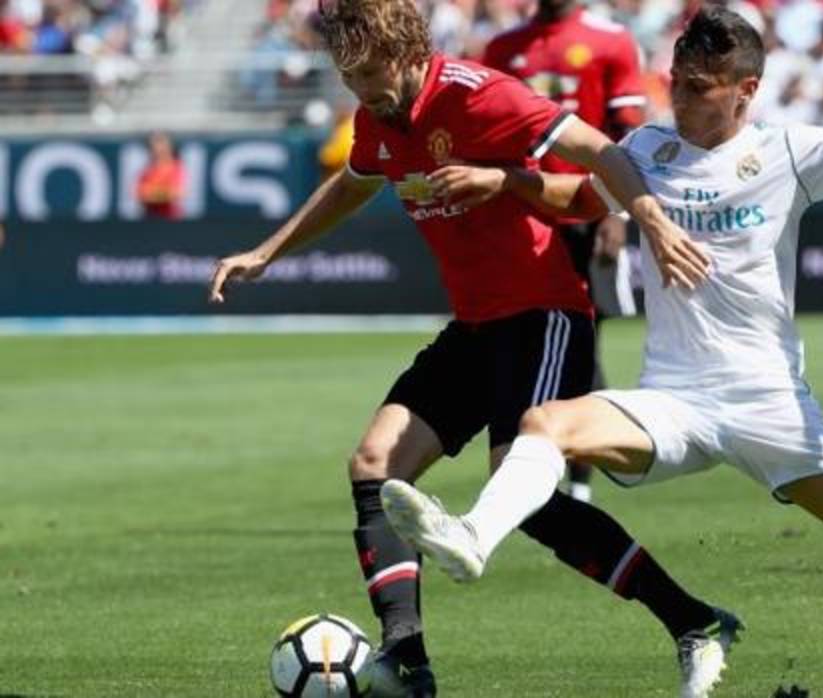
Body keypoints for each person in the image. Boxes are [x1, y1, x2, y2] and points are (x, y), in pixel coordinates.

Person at [383, 6, 823, 697]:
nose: (680, 97)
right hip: (672, 399)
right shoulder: (645, 150)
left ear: (746, 91)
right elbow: (580, 201)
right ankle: (474, 537)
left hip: (770, 401)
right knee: (545, 424)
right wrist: (505, 178)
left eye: (700, 89)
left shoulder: (788, 151)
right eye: (675, 79)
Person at [206, 1, 737, 696]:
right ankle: (406, 662)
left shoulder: (480, 95)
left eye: (370, 71)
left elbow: (603, 153)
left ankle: (694, 621)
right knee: (374, 464)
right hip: (476, 327)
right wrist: (267, 253)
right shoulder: (377, 121)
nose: (362, 89)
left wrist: (653, 224)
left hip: (544, 315)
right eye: (348, 76)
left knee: (527, 497)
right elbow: (354, 182)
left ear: (405, 52)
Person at [482, 0, 647, 502]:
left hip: (586, 210)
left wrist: (616, 214)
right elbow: (486, 135)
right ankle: (526, 465)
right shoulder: (502, 48)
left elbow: (629, 135)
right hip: (525, 215)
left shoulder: (610, 38)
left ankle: (579, 479)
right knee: (518, 338)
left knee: (581, 339)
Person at [136, 132, 185, 220]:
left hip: (170, 218)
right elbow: (139, 193)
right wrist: (162, 192)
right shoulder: (148, 170)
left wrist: (152, 193)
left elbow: (176, 193)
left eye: (160, 143)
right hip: (149, 218)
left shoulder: (176, 167)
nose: (156, 148)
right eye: (153, 145)